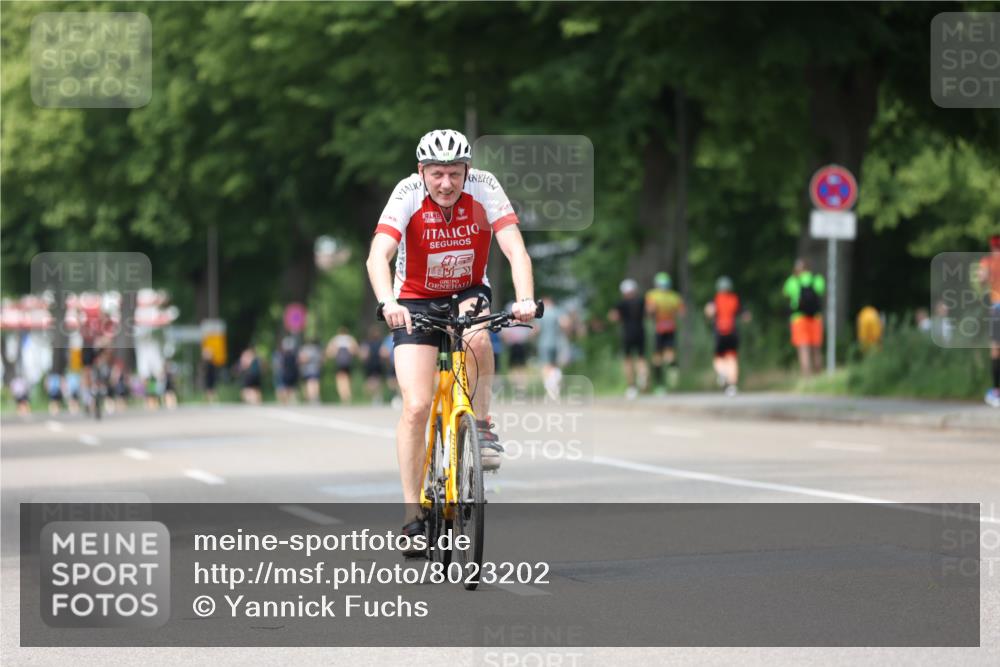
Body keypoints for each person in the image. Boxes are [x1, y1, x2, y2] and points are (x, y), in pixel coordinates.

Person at [365, 129, 537, 547]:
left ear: (467, 170)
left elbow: (515, 249)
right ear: (421, 171)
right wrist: (389, 301)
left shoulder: (485, 187)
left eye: (455, 173)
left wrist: (525, 299)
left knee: (478, 337)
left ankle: (480, 428)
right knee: (417, 405)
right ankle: (412, 516)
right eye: (437, 173)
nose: (446, 183)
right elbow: (378, 255)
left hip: (467, 292)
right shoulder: (407, 192)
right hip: (414, 299)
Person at [704, 276, 747, 396]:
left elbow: (708, 312)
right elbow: (745, 315)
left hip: (720, 333)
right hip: (733, 332)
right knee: (732, 358)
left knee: (718, 357)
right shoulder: (735, 299)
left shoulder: (715, 299)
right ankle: (732, 386)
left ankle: (722, 373)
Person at [783, 258, 826, 375]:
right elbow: (821, 291)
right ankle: (818, 375)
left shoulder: (792, 281)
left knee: (803, 347)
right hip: (815, 317)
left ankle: (806, 375)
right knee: (816, 347)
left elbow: (786, 293)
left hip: (798, 318)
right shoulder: (816, 279)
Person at [645, 271, 685, 392]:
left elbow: (649, 311)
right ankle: (673, 371)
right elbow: (682, 313)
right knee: (669, 355)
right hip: (671, 328)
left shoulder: (652, 295)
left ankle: (660, 385)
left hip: (659, 329)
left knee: (657, 358)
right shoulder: (675, 296)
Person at [608, 278, 648, 399]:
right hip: (640, 331)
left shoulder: (621, 304)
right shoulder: (642, 301)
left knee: (628, 360)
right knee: (641, 358)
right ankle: (642, 377)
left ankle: (631, 386)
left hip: (627, 333)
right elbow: (649, 312)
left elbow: (613, 317)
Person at [979, 234, 1000, 408]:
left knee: (995, 349)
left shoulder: (987, 261)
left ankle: (996, 391)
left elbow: (981, 279)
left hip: (997, 306)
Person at [535, 296, 571, 399]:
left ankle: (550, 389)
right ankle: (556, 383)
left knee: (546, 366)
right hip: (557, 342)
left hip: (544, 343)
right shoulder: (558, 311)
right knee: (555, 365)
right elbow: (565, 323)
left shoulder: (541, 314)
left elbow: (537, 329)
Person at [326, 327, 358, 403]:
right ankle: (348, 395)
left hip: (339, 362)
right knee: (347, 378)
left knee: (340, 379)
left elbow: (329, 352)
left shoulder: (336, 339)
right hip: (348, 362)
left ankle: (343, 396)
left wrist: (333, 355)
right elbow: (355, 350)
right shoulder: (350, 339)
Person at [361, 324, 387, 404]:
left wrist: (364, 361)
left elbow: (364, 354)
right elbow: (383, 353)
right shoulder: (381, 342)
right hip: (378, 363)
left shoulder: (367, 342)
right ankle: (377, 396)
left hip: (370, 364)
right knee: (377, 380)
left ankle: (375, 396)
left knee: (371, 381)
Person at [298, 338, 323, 404]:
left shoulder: (305, 349)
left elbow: (302, 359)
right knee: (316, 382)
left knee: (309, 382)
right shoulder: (317, 349)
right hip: (316, 368)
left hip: (308, 369)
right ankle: (316, 397)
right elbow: (321, 359)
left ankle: (311, 398)